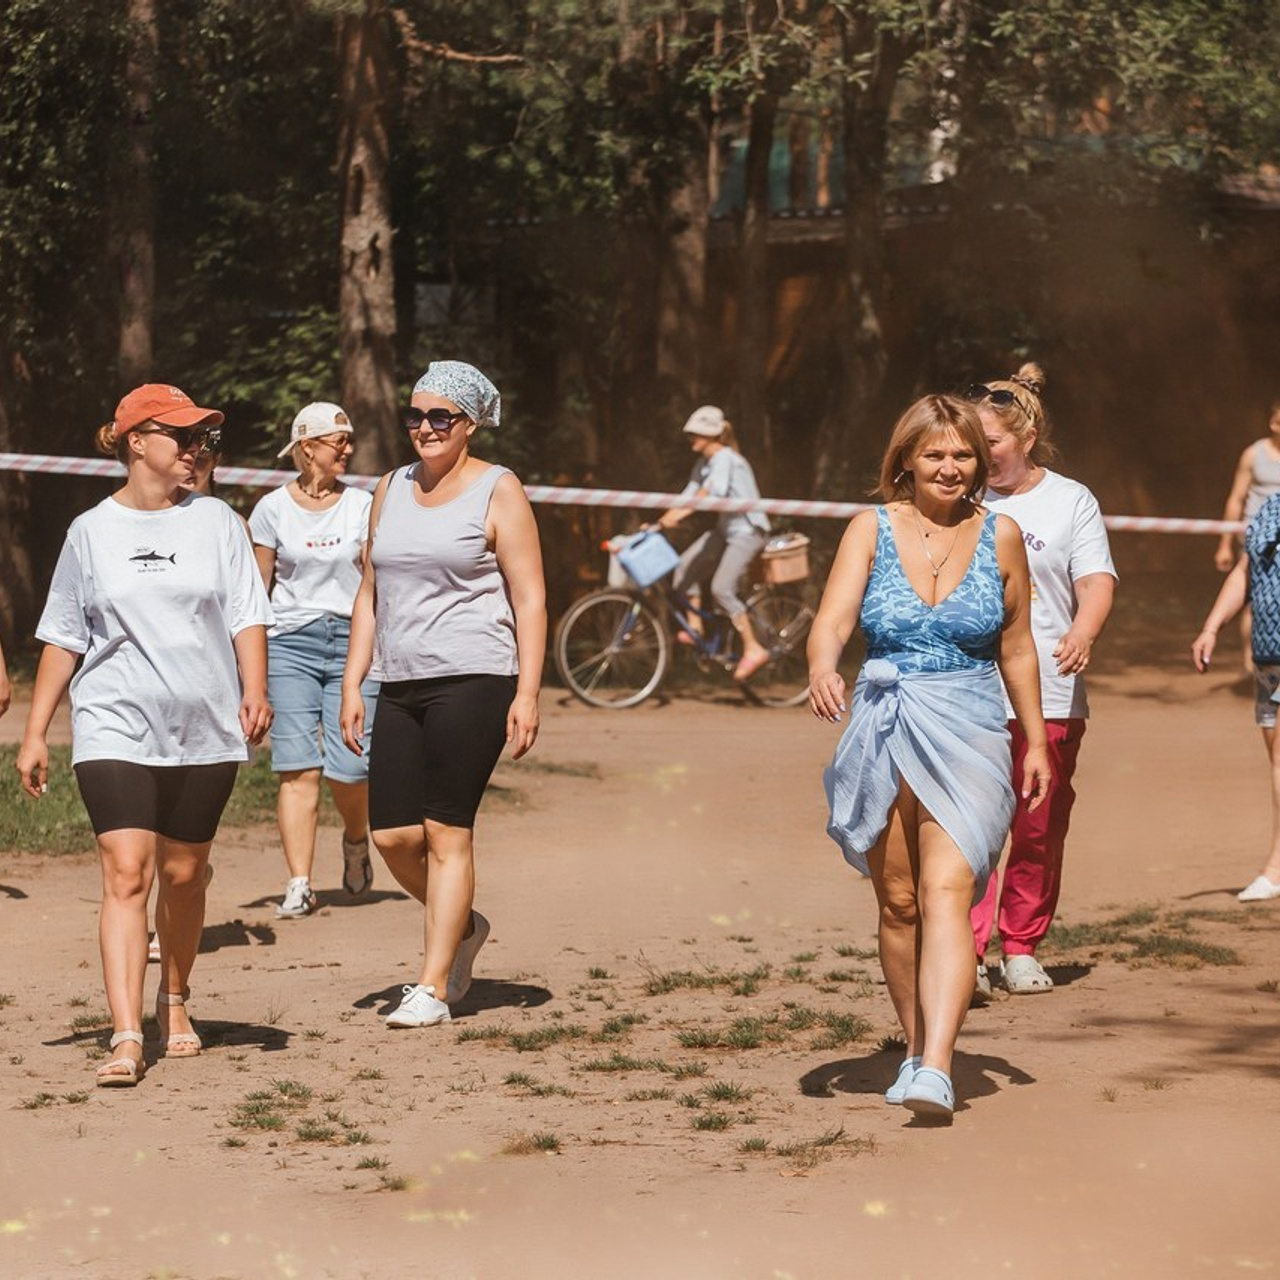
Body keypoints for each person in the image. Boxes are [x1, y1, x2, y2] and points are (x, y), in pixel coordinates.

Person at [15, 384, 272, 1087]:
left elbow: (249, 612)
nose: (197, 451)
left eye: (203, 441)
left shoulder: (218, 521)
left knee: (184, 875)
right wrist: (36, 731)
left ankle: (176, 998)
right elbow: (64, 637)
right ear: (136, 441)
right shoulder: (90, 532)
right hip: (114, 724)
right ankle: (127, 1034)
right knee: (127, 872)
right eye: (183, 438)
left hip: (205, 724)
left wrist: (255, 687)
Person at [807, 393, 1049, 1121]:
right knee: (901, 902)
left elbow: (1016, 645)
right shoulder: (870, 529)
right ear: (906, 460)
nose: (950, 467)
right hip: (883, 723)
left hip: (970, 724)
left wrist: (1035, 739)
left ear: (981, 462)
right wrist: (824, 665)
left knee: (948, 888)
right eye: (936, 454)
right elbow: (834, 620)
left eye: (963, 454)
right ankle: (916, 1049)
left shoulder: (1001, 534)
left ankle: (938, 1067)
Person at [340, 361, 545, 1029]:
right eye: (416, 415)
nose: (424, 428)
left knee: (446, 829)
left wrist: (528, 692)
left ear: (471, 422)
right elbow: (370, 589)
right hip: (398, 680)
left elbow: (531, 598)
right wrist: (354, 680)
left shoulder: (498, 489)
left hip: (476, 677)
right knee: (394, 836)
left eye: (440, 417)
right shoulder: (388, 487)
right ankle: (462, 925)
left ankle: (431, 986)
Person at [965, 365, 1117, 998]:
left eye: (989, 444)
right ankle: (964, 951)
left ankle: (1020, 945)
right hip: (964, 688)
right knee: (966, 827)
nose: (976, 457)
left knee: (1035, 825)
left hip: (1048, 690)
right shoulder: (955, 494)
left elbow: (1096, 581)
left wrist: (1082, 632)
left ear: (1025, 436)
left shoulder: (1070, 499)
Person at [249, 402, 378, 919]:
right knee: (297, 769)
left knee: (349, 768)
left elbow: (375, 583)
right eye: (337, 440)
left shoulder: (365, 506)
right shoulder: (270, 509)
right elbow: (258, 591)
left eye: (348, 439)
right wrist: (248, 666)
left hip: (353, 642)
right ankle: (299, 882)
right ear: (307, 447)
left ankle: (354, 838)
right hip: (289, 643)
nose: (347, 448)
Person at [1194, 490, 1280, 902]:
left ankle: (1275, 870)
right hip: (1269, 658)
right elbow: (1246, 571)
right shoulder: (1271, 506)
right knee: (1276, 760)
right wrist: (1213, 626)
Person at [655, 406, 772, 681]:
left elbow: (712, 493)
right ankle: (696, 630)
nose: (692, 438)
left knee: (721, 589)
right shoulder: (704, 463)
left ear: (714, 435)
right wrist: (660, 522)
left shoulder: (725, 458)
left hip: (748, 530)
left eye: (698, 433)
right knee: (683, 568)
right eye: (692, 433)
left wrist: (675, 517)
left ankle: (753, 648)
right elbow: (689, 494)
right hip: (726, 529)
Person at [1213, 401, 1280, 673]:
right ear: (1274, 424)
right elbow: (1236, 498)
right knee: (1253, 601)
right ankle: (1252, 663)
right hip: (1258, 536)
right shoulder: (1253, 455)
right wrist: (1225, 544)